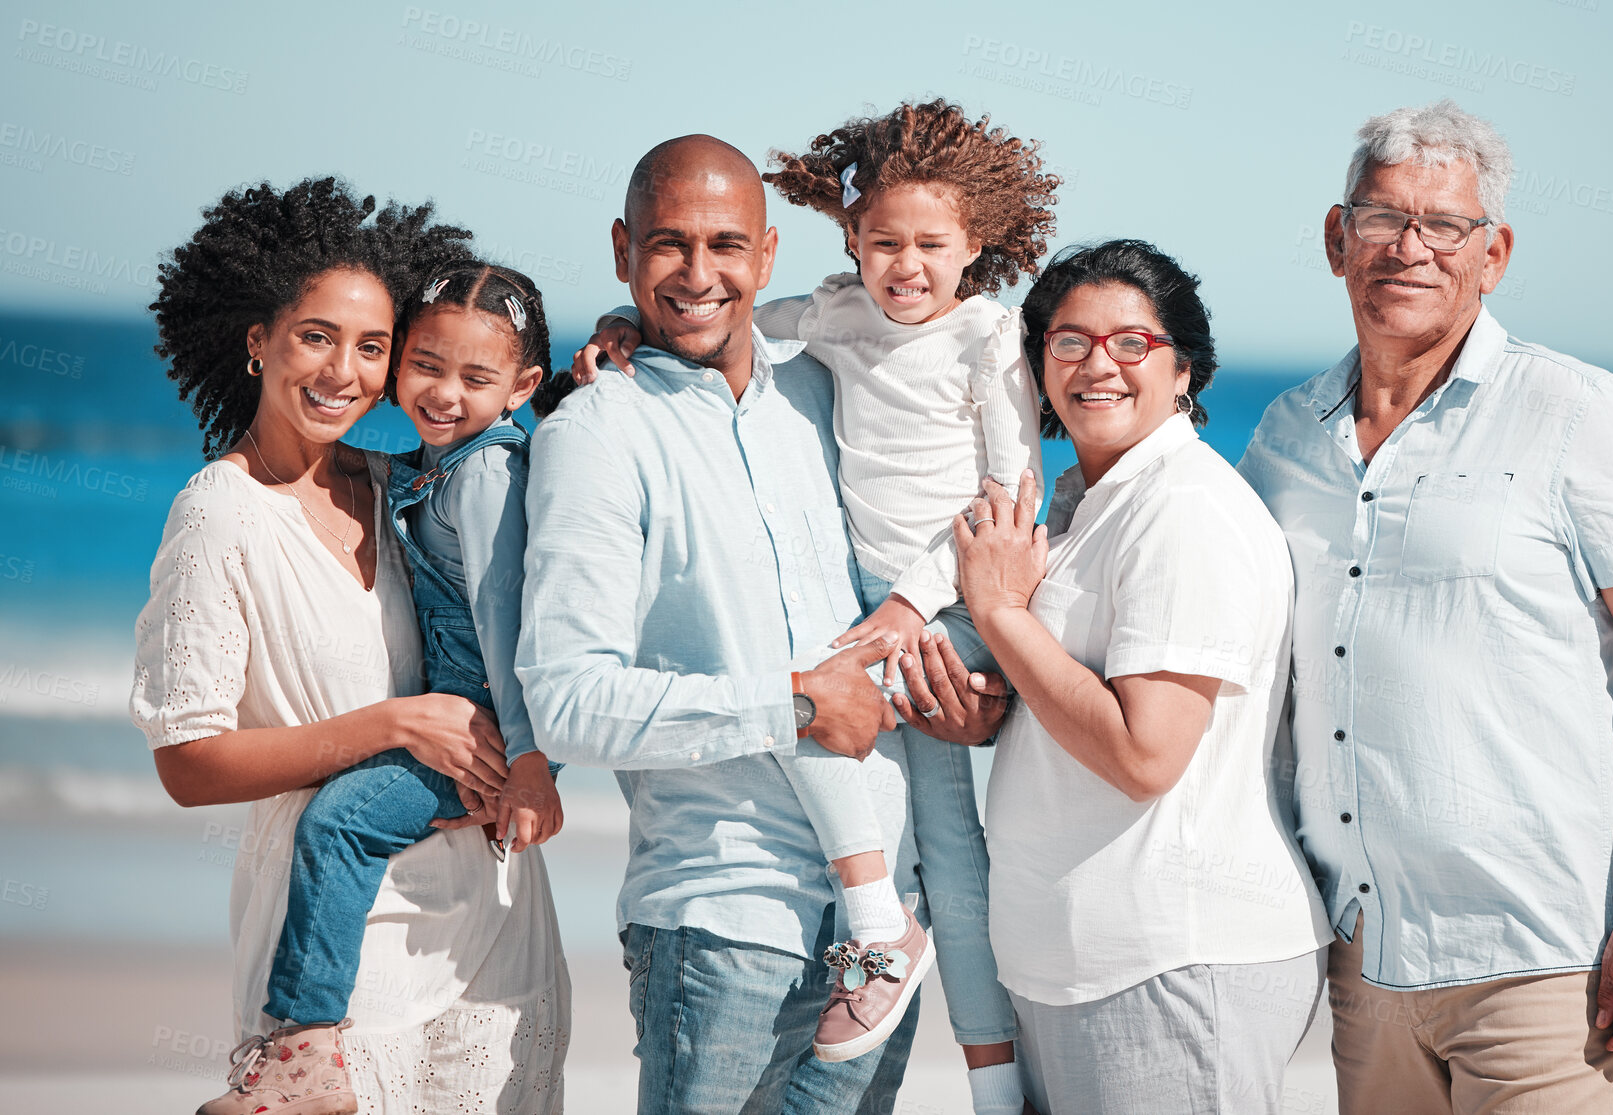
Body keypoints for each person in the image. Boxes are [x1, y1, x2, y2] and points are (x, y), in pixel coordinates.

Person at [1237, 100, 1613, 1114]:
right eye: (1379, 218)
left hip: (1544, 963)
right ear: (1337, 239)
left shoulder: (1578, 412)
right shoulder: (1283, 438)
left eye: (1443, 225)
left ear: (1491, 253)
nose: (1408, 248)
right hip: (1363, 965)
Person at [572, 99, 1054, 1112]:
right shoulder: (833, 316)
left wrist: (915, 606)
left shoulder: (986, 337)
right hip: (877, 626)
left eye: (931, 244)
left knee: (932, 819)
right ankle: (888, 934)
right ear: (848, 241)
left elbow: (1012, 498)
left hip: (945, 599)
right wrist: (629, 327)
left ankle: (981, 1061)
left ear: (976, 245)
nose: (905, 266)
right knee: (916, 810)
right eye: (883, 242)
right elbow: (735, 322)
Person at [133, 179, 570, 1114]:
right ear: (258, 340)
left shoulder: (398, 481)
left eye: (372, 347)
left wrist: (592, 372)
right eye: (316, 336)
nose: (344, 371)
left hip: (496, 926)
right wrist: (392, 724)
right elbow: (187, 763)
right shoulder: (219, 514)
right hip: (346, 968)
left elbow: (517, 504)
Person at [957, 239, 1332, 1114]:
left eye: (1133, 343)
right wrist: (985, 704)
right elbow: (1070, 699)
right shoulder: (1083, 505)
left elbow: (1146, 752)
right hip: (1078, 963)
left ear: (1184, 372)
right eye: (1069, 341)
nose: (1099, 365)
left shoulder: (1182, 508)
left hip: (1170, 960)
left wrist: (1001, 615)